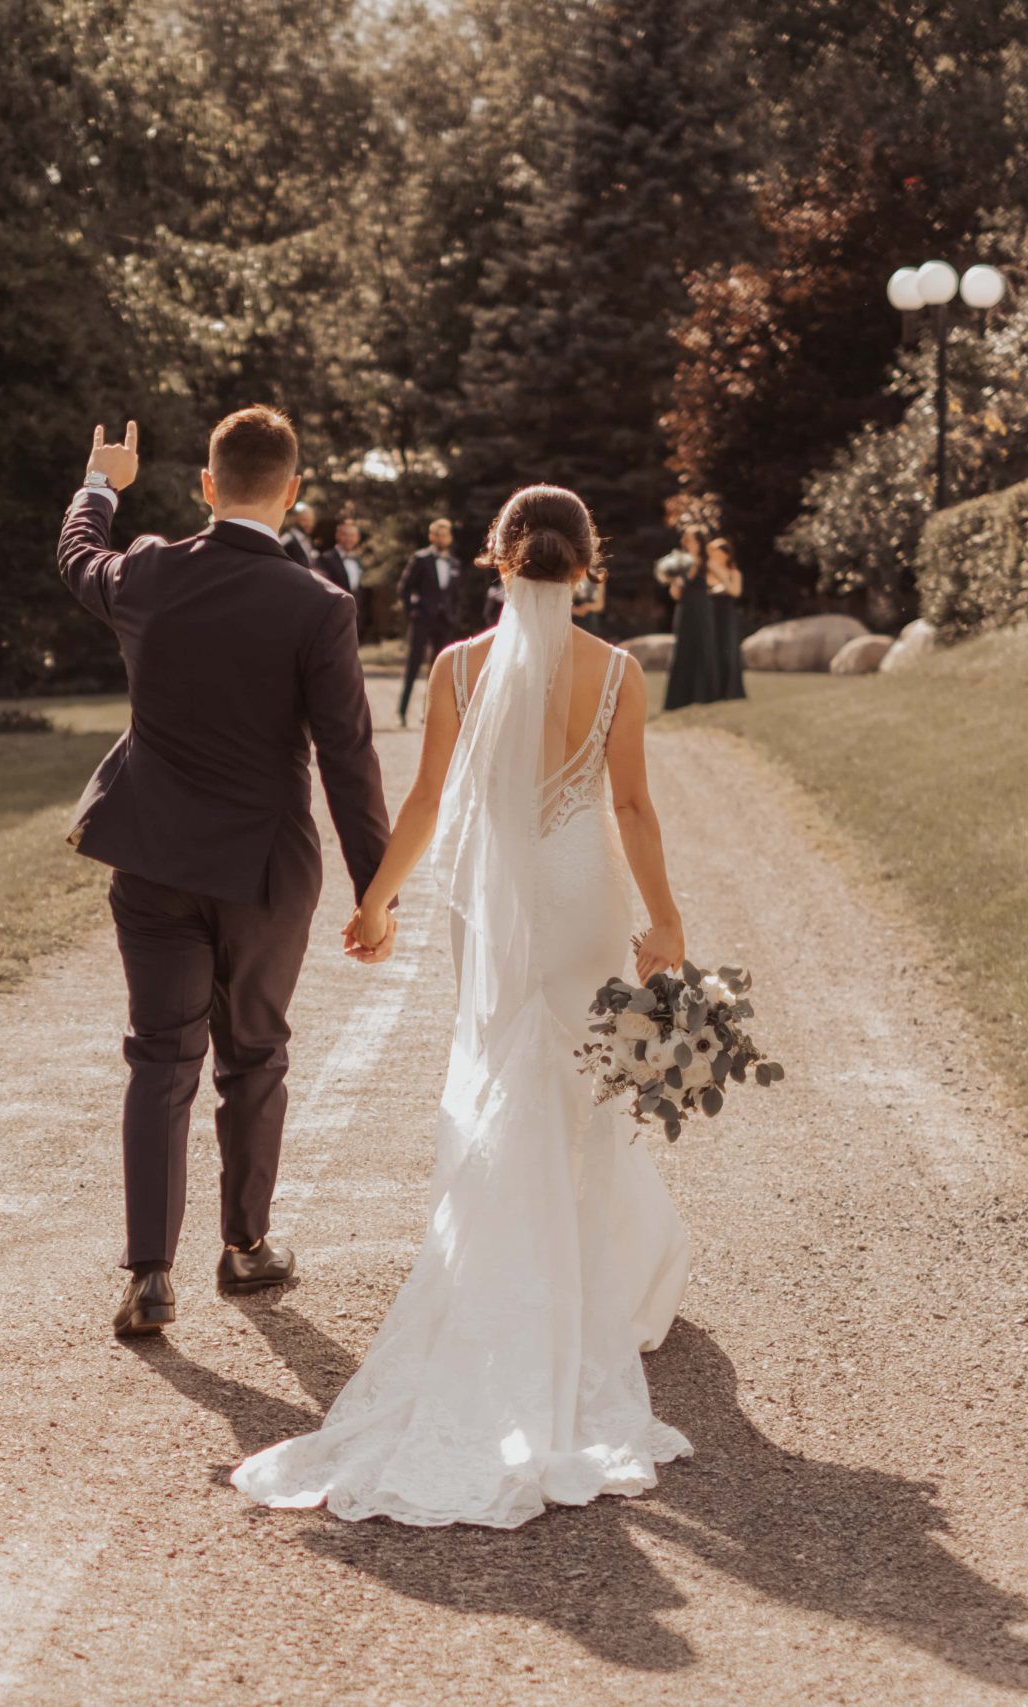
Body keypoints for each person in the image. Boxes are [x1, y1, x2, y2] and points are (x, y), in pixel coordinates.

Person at [234, 483, 695, 1528]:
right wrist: (664, 921)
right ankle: (593, 1277)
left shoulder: (456, 667)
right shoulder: (616, 671)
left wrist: (377, 899)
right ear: (586, 564)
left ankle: (519, 1260)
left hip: (496, 906)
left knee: (507, 1069)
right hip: (578, 895)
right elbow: (630, 806)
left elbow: (432, 802)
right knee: (584, 1078)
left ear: (497, 561)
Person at [58, 410, 393, 1339]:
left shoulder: (151, 572)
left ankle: (149, 1277)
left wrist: (100, 481)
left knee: (157, 1057)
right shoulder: (318, 605)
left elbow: (81, 554)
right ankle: (244, 1247)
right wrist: (376, 891)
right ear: (292, 493)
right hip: (264, 871)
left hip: (154, 858)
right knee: (255, 1055)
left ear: (207, 485)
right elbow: (348, 759)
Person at [397, 517, 462, 726]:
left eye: (446, 534)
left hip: (445, 621)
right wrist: (413, 610)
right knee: (414, 664)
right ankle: (402, 712)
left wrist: (454, 614)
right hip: (423, 619)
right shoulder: (421, 559)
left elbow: (456, 594)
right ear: (432, 536)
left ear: (450, 537)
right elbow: (405, 588)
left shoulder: (454, 563)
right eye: (438, 533)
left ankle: (430, 713)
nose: (442, 537)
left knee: (439, 669)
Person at [659, 522, 721, 710]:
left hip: (702, 609)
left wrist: (719, 588)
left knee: (703, 646)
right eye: (685, 539)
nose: (686, 542)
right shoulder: (680, 562)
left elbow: (720, 580)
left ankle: (705, 695)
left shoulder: (706, 562)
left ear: (699, 542)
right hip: (685, 610)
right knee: (683, 648)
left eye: (690, 539)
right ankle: (680, 698)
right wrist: (676, 585)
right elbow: (674, 594)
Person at [703, 535, 746, 700]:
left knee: (727, 650)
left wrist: (720, 573)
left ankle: (730, 691)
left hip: (725, 617)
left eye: (718, 553)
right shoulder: (706, 573)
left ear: (727, 555)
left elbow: (735, 591)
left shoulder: (733, 572)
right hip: (709, 617)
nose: (715, 556)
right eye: (713, 553)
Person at [280, 501, 319, 570]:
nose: (309, 524)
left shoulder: (307, 538)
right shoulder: (287, 538)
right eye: (305, 520)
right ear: (295, 519)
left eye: (311, 520)